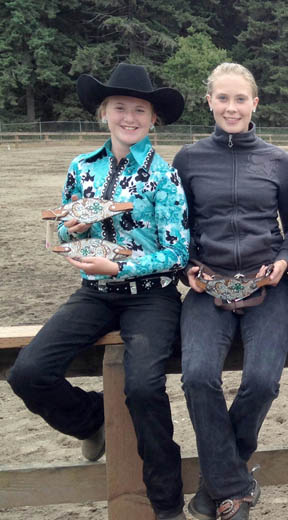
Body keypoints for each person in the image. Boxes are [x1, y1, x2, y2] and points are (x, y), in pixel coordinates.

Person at [8, 63, 189, 520]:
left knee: (144, 388)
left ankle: (167, 504)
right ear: (104, 112)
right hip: (95, 292)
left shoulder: (164, 176)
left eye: (140, 110)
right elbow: (63, 230)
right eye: (120, 108)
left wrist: (122, 264)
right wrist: (71, 231)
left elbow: (177, 251)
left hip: (151, 294)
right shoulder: (81, 168)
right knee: (28, 372)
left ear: (153, 119)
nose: (130, 117)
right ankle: (92, 419)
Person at [174, 63, 288, 520]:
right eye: (223, 98)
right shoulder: (188, 160)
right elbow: (177, 228)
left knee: (263, 381)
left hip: (268, 285)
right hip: (209, 285)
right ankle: (234, 487)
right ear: (209, 101)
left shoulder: (279, 162)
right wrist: (188, 267)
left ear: (254, 104)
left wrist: (283, 261)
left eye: (240, 99)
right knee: (197, 376)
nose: (231, 107)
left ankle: (216, 484)